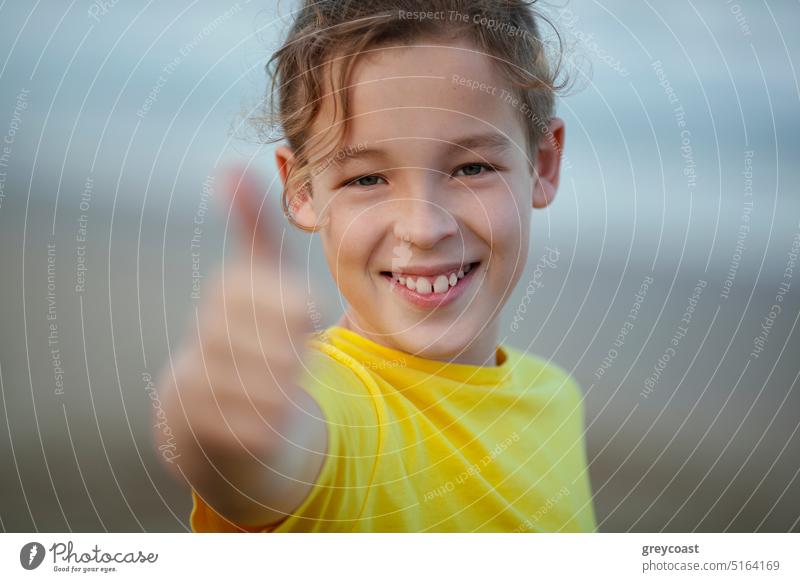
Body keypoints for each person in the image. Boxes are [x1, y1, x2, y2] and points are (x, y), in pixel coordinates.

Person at [154, 0, 597, 532]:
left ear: (543, 164)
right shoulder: (331, 405)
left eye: (472, 167)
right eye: (366, 179)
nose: (424, 227)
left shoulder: (556, 399)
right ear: (301, 190)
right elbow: (269, 465)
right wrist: (223, 430)